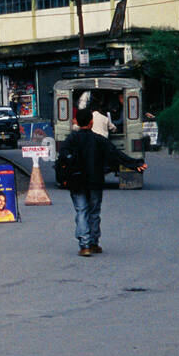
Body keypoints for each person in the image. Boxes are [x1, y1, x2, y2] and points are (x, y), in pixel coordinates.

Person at [60, 107, 146, 257]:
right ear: (92, 122)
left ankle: (84, 245)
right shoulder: (99, 140)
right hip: (95, 181)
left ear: (77, 122)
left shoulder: (71, 139)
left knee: (81, 211)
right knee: (94, 212)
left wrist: (64, 178)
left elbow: (62, 158)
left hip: (76, 181)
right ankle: (94, 243)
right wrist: (136, 164)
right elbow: (116, 154)